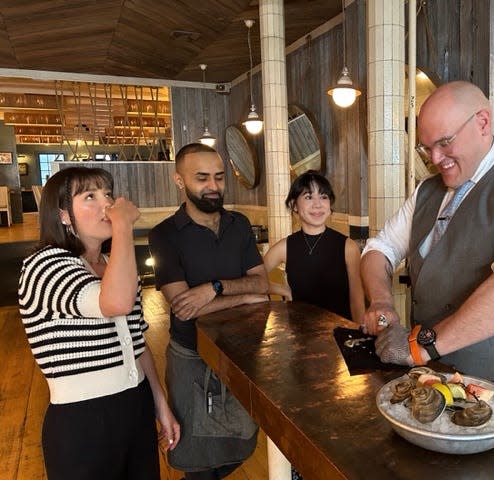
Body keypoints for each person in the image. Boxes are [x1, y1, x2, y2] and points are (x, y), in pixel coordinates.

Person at [361, 80, 494, 418]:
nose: (434, 158)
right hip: (440, 382)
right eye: (426, 148)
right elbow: (380, 249)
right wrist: (381, 302)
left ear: (483, 122)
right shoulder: (425, 192)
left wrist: (419, 347)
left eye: (444, 142)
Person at [18, 167, 180, 480]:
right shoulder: (44, 263)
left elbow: (136, 340)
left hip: (134, 403)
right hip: (83, 418)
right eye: (90, 196)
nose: (106, 204)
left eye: (107, 194)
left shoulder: (110, 265)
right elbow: (114, 303)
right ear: (64, 215)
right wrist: (122, 227)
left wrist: (160, 404)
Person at [148, 143, 269, 480]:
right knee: (196, 459)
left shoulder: (240, 224)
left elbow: (261, 285)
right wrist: (243, 296)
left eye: (218, 177)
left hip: (239, 356)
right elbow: (183, 308)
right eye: (202, 178)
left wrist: (213, 289)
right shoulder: (164, 235)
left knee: (241, 443)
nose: (213, 186)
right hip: (191, 357)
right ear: (179, 180)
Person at [263, 170, 365, 322]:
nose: (317, 204)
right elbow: (254, 279)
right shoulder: (284, 247)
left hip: (340, 335)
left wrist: (360, 333)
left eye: (323, 197)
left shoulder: (347, 247)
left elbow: (357, 300)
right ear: (294, 205)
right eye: (309, 197)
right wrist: (281, 289)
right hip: (300, 336)